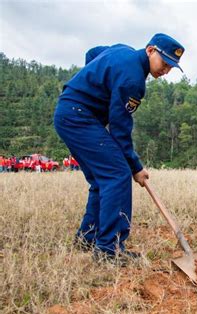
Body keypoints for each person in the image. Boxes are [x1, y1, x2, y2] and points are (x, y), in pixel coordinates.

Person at [54, 33, 185, 265]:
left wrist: (94, 85)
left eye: (171, 67)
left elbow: (92, 53)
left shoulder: (122, 50)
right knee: (117, 174)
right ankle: (109, 249)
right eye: (164, 63)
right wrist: (135, 166)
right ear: (150, 50)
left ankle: (88, 238)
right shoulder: (133, 80)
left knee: (101, 179)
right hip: (79, 118)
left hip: (69, 113)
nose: (166, 70)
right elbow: (120, 129)